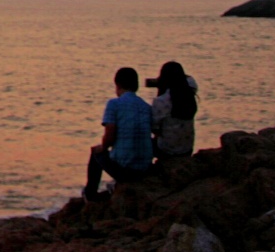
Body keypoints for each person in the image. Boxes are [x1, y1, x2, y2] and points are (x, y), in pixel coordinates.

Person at [83, 66, 152, 202]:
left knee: (96, 153)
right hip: (144, 168)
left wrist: (103, 147)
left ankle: (90, 195)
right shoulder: (146, 107)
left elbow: (110, 135)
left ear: (118, 86)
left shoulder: (114, 104)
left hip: (125, 169)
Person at [150, 61, 198, 159]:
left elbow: (155, 129)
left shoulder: (162, 101)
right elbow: (191, 80)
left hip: (166, 151)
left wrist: (160, 87)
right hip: (187, 150)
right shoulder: (190, 95)